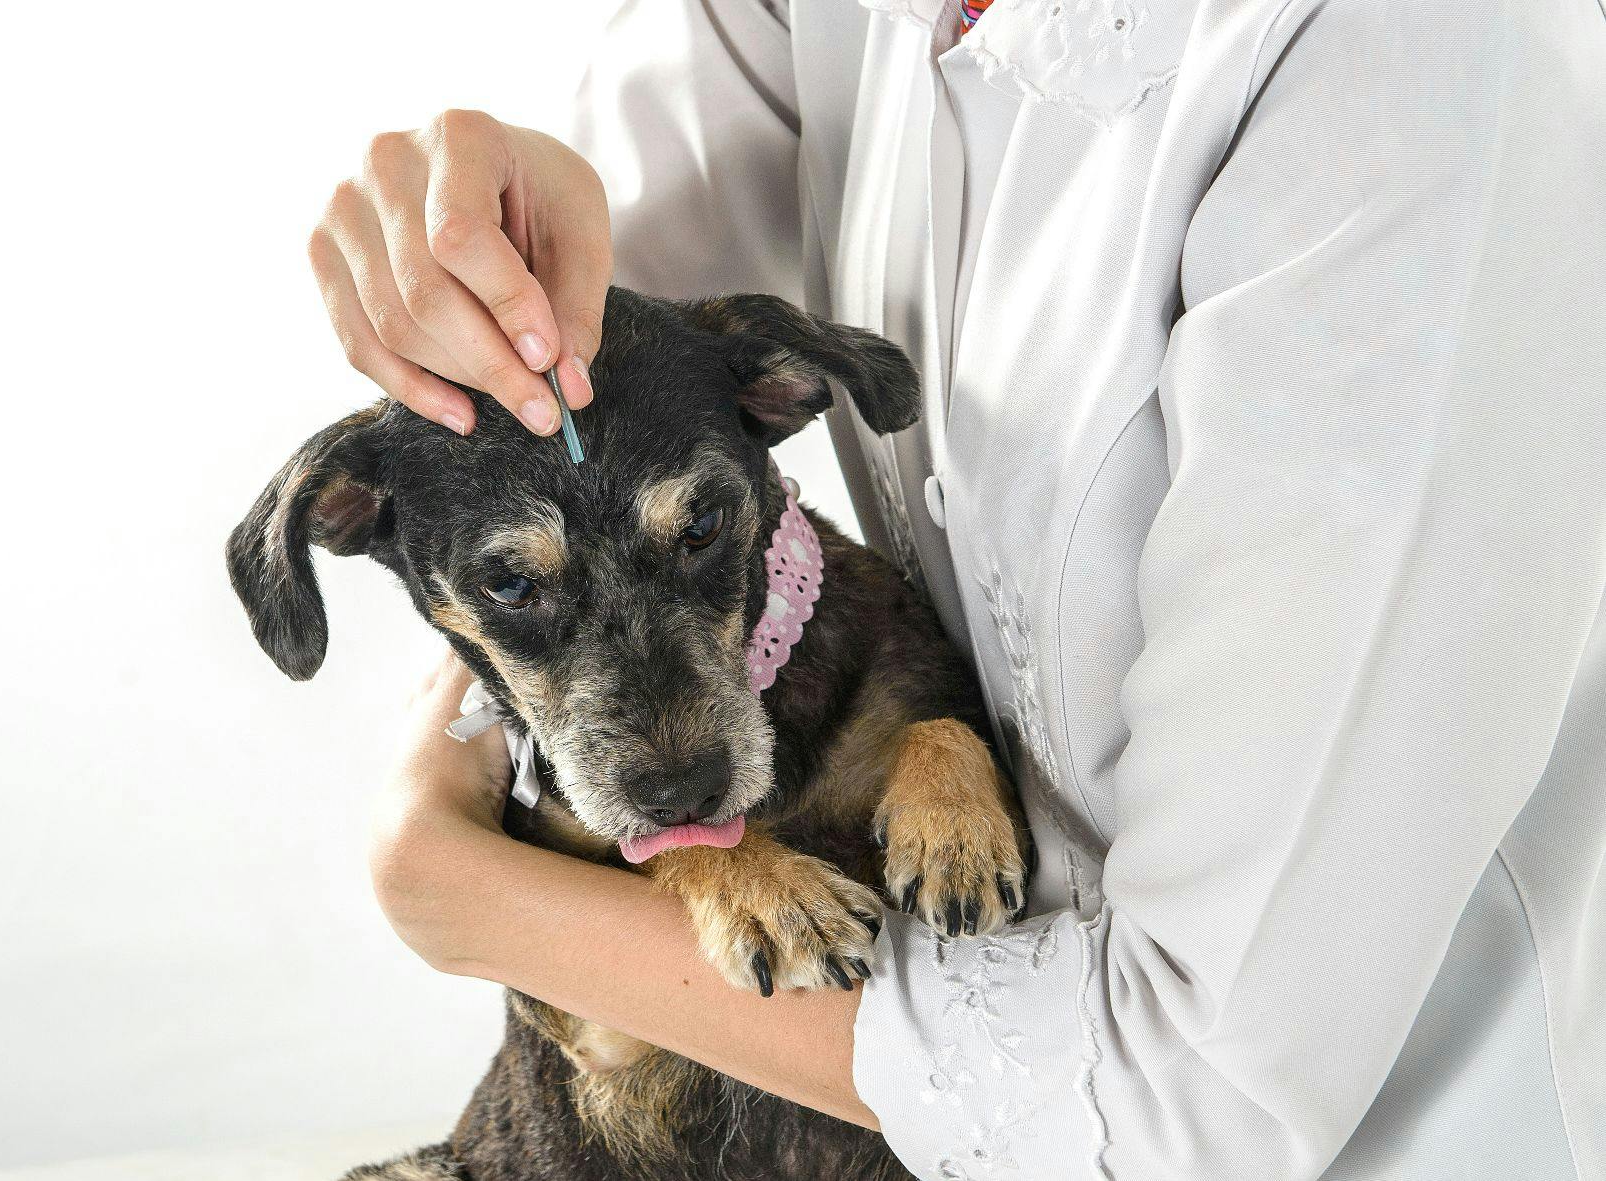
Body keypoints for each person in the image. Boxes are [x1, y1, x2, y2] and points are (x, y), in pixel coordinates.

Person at [310, 1, 1606, 1177]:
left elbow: (1195, 1104)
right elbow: (589, 381)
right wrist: (501, 233)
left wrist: (474, 895)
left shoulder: (1404, 64)